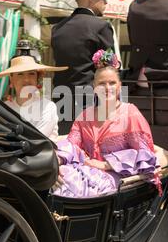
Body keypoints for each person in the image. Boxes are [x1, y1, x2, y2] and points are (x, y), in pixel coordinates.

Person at [52, 51, 161, 198]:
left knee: (74, 182)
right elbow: (72, 145)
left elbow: (145, 153)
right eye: (102, 83)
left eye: (112, 83)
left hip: (115, 178)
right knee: (60, 175)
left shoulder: (130, 113)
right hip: (85, 171)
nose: (107, 87)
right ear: (94, 86)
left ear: (119, 86)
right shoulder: (85, 115)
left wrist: (106, 165)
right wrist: (55, 162)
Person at [51, 0, 115, 90]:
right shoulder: (101, 26)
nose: (106, 2)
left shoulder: (57, 28)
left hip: (60, 96)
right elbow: (109, 68)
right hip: (89, 98)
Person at [0, 56, 68, 142]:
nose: (26, 79)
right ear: (11, 80)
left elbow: (37, 140)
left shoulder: (48, 107)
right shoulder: (4, 108)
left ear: (37, 79)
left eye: (31, 73)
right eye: (20, 74)